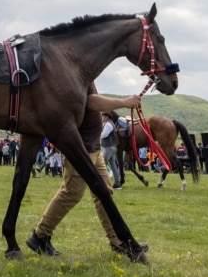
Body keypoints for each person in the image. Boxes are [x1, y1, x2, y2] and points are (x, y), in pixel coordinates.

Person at [26, 87, 146, 261]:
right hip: (81, 151)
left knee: (105, 193)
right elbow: (91, 101)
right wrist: (123, 102)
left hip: (94, 150)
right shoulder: (78, 71)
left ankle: (117, 241)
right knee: (71, 193)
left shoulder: (86, 74)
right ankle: (40, 236)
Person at [100, 112, 123, 189]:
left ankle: (102, 182)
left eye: (102, 116)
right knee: (113, 164)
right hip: (110, 147)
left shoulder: (108, 124)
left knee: (102, 163)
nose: (101, 118)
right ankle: (117, 183)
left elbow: (104, 135)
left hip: (109, 147)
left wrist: (97, 135)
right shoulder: (108, 124)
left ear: (106, 117)